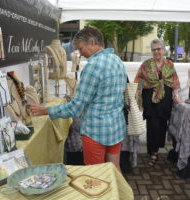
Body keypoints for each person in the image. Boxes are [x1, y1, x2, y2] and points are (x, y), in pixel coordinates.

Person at [29, 26, 127, 171]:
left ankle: (101, 194)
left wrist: (47, 110)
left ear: (92, 42)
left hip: (96, 131)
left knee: (95, 175)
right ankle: (118, 193)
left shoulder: (93, 66)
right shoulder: (117, 60)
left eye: (81, 48)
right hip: (116, 127)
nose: (80, 53)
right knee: (114, 169)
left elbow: (76, 107)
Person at [134, 39, 182, 167]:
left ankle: (157, 148)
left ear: (163, 50)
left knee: (162, 125)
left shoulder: (169, 64)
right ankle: (153, 152)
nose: (156, 52)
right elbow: (138, 80)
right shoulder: (146, 65)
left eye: (158, 49)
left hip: (165, 101)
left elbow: (175, 82)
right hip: (151, 99)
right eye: (154, 49)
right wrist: (141, 90)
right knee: (153, 125)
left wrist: (176, 95)